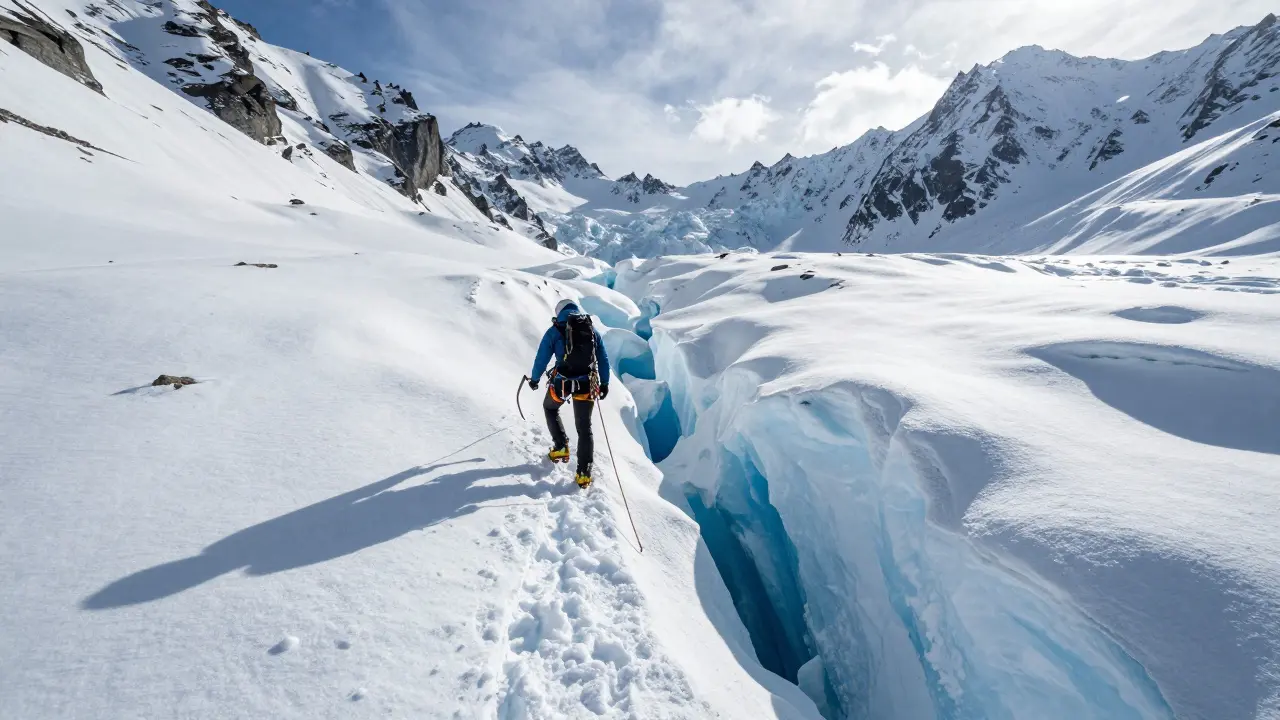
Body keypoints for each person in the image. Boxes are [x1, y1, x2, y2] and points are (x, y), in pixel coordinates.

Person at [529, 299, 611, 488]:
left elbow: (541, 358)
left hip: (562, 383)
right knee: (584, 427)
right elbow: (603, 358)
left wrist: (534, 379)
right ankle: (584, 473)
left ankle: (560, 447)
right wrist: (605, 383)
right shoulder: (591, 330)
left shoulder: (555, 330)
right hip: (586, 385)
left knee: (549, 408)